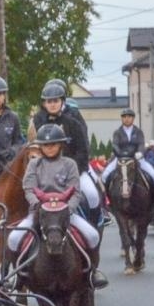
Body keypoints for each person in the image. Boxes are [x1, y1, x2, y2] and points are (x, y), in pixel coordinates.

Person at [6, 124, 99, 257]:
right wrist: (37, 206)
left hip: (65, 214)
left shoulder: (70, 164)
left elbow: (76, 192)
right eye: (45, 145)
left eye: (53, 144)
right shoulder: (34, 164)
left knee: (93, 236)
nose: (49, 148)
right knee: (13, 239)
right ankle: (19, 275)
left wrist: (69, 209)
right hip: (38, 214)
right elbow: (29, 189)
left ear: (61, 145)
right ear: (40, 147)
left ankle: (91, 272)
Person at [30, 79, 101, 216]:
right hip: (43, 171)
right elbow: (32, 147)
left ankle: (95, 222)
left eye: (55, 101)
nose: (52, 104)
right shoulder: (37, 121)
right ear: (44, 103)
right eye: (49, 101)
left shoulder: (73, 122)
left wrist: (72, 171)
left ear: (62, 101)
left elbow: (82, 150)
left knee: (92, 194)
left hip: (73, 169)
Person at [103, 108, 154, 187]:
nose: (127, 119)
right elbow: (115, 144)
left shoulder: (138, 131)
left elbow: (141, 144)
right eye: (124, 117)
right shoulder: (117, 132)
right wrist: (120, 154)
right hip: (120, 159)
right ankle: (107, 197)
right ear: (122, 118)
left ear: (133, 118)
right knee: (104, 176)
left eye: (129, 117)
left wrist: (140, 152)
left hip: (136, 158)